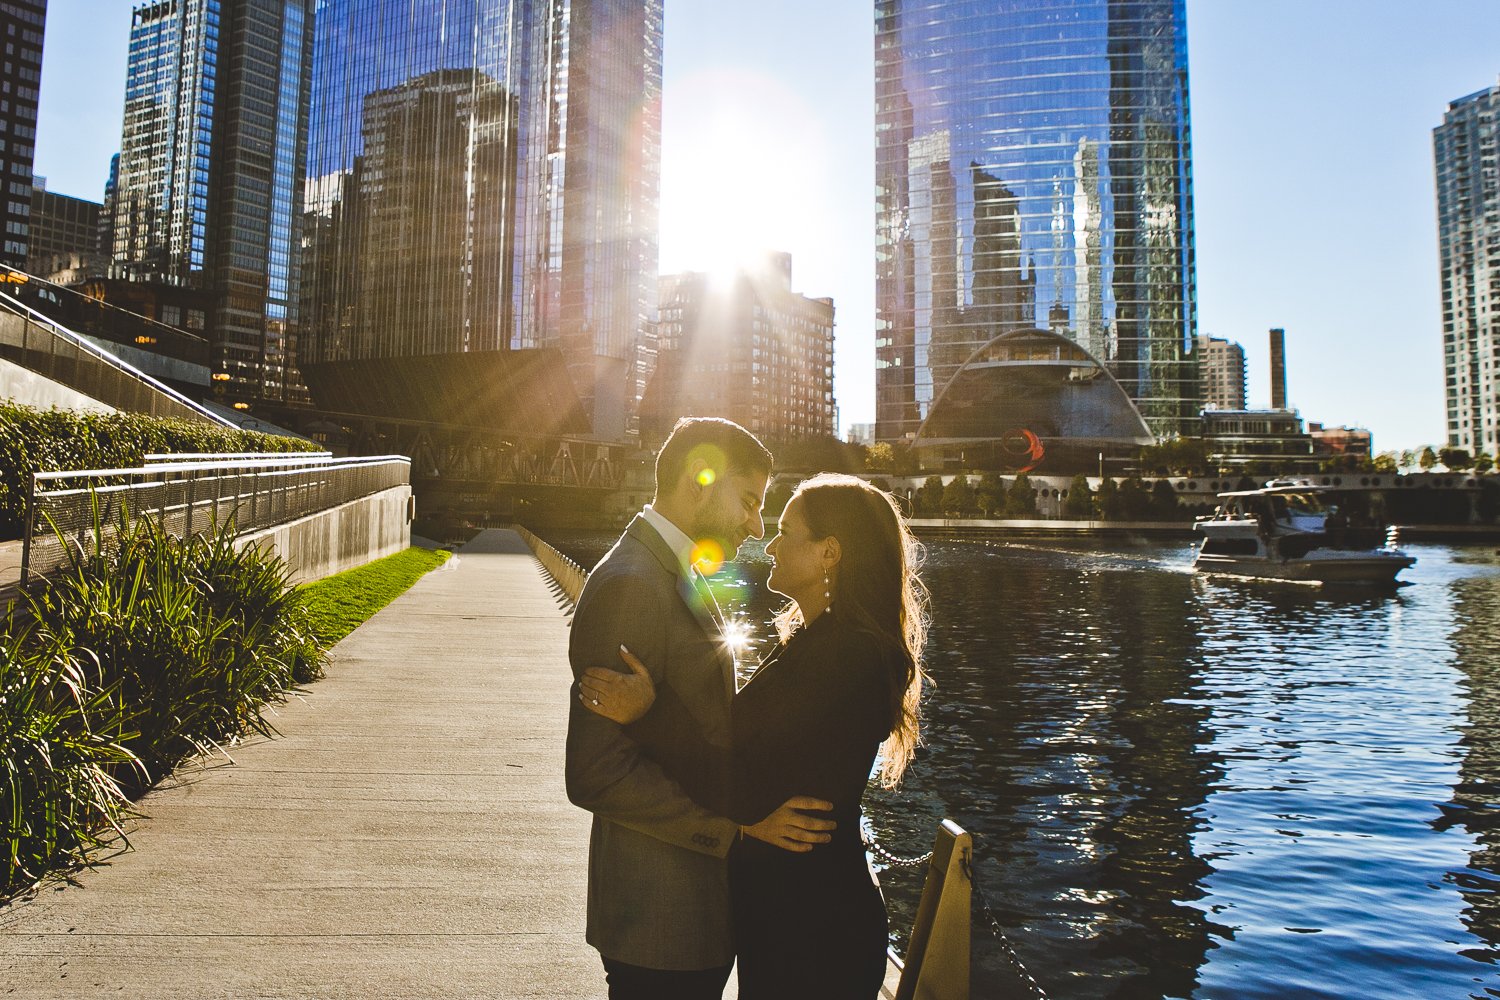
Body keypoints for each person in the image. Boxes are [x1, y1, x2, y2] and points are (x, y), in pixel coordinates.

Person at [582, 472, 930, 999]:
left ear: (828, 552)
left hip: (815, 928)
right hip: (788, 914)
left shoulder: (849, 657)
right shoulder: (816, 643)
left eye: (786, 532)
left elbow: (745, 782)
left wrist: (649, 715)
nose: (769, 545)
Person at [565, 417, 836, 1000]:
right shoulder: (633, 585)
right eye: (749, 501)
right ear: (700, 478)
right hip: (658, 920)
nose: (755, 527)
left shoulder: (672, 572)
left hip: (689, 917)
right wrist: (737, 824)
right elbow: (595, 773)